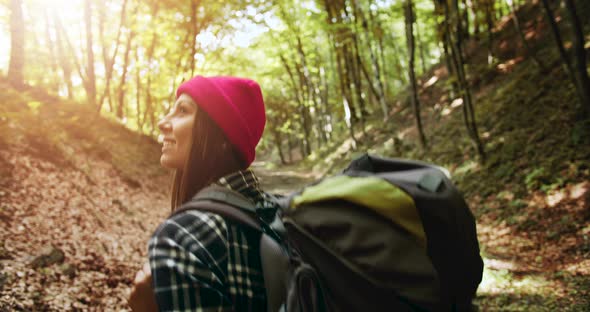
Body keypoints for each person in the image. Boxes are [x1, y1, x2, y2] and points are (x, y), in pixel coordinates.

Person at [128, 76, 270, 311]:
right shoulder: (270, 211)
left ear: (222, 139)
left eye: (182, 110)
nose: (163, 123)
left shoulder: (184, 236)